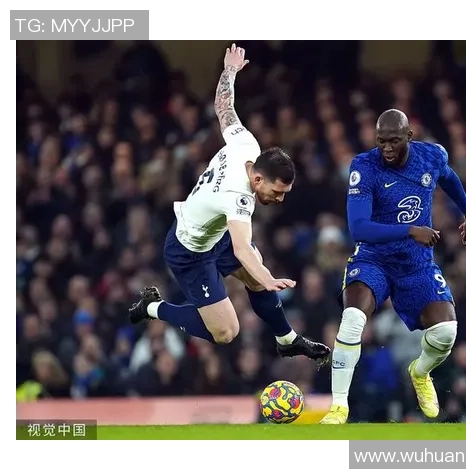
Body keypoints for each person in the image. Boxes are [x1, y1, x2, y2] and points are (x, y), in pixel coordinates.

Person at [129, 44, 330, 366]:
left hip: (216, 233)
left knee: (256, 273)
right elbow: (242, 249)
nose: (279, 199)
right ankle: (152, 307)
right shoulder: (239, 196)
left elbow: (224, 107)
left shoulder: (247, 145)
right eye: (277, 192)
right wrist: (268, 279)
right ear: (258, 179)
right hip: (189, 252)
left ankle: (287, 340)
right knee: (225, 331)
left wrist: (230, 71)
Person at [320, 109, 466, 424]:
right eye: (381, 142)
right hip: (373, 259)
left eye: (393, 141)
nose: (387, 148)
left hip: (415, 263)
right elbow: (359, 228)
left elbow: (447, 176)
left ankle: (420, 372)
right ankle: (338, 407)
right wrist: (410, 230)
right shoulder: (364, 167)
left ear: (409, 136)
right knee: (352, 319)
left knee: (446, 332)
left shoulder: (431, 156)